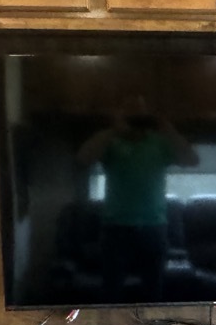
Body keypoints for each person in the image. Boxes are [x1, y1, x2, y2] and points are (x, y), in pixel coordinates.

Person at [77, 96, 198, 303]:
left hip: (154, 228)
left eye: (140, 115)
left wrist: (168, 129)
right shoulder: (110, 141)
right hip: (116, 229)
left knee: (153, 292)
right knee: (111, 292)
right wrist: (113, 130)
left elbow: (192, 160)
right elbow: (83, 159)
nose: (136, 120)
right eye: (131, 115)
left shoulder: (160, 142)